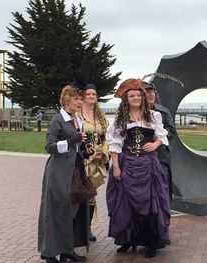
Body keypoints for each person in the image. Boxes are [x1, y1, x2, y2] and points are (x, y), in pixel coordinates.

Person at [106, 78, 171, 258]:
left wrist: (155, 144)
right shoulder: (120, 120)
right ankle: (128, 240)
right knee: (126, 204)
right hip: (127, 164)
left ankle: (151, 242)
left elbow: (162, 136)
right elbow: (115, 145)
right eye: (131, 95)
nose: (135, 98)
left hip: (148, 164)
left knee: (151, 203)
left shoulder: (153, 116)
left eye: (138, 95)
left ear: (143, 97)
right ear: (126, 99)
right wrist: (117, 168)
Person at [38, 84, 96, 263]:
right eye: (76, 99)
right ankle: (49, 253)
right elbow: (50, 146)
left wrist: (85, 151)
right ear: (66, 100)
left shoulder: (76, 119)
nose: (80, 101)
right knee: (57, 211)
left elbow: (76, 147)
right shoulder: (58, 119)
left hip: (76, 171)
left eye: (81, 98)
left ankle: (66, 250)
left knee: (74, 210)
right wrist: (72, 140)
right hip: (59, 172)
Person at [80, 83, 109, 242]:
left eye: (94, 94)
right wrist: (90, 153)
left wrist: (103, 153)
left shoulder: (100, 115)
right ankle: (79, 228)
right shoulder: (78, 115)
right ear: (83, 96)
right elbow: (78, 137)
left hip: (98, 162)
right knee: (81, 194)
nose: (91, 97)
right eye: (88, 94)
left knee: (92, 194)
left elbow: (106, 137)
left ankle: (88, 228)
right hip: (83, 160)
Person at [144, 82, 177, 200]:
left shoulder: (163, 111)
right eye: (147, 92)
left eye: (152, 92)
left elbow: (171, 130)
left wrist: (157, 139)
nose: (151, 94)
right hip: (142, 155)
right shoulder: (134, 113)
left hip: (161, 155)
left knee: (163, 187)